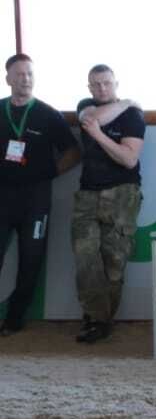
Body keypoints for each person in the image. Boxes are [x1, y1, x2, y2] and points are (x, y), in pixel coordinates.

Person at [0, 54, 80, 336]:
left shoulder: (48, 114)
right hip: (2, 196)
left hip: (36, 199)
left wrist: (50, 173)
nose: (26, 79)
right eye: (20, 74)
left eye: (30, 74)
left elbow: (73, 151)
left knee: (31, 259)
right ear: (8, 78)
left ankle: (14, 320)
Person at [71, 64, 145, 344]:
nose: (102, 88)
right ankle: (96, 319)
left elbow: (129, 159)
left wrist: (99, 137)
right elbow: (91, 119)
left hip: (123, 195)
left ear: (116, 83)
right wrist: (125, 102)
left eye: (106, 83)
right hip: (87, 195)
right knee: (85, 258)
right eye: (96, 84)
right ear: (89, 88)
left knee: (115, 262)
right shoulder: (86, 106)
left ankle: (102, 319)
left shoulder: (134, 118)